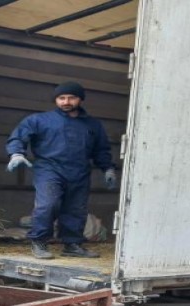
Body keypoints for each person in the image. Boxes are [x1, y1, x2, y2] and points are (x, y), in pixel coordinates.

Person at [6, 82, 117, 260]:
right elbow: (19, 135)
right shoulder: (39, 120)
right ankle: (39, 242)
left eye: (71, 97)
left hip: (79, 171)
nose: (66, 101)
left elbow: (101, 149)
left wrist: (108, 169)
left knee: (76, 209)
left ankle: (72, 244)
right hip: (49, 169)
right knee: (48, 204)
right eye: (61, 98)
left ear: (80, 99)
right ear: (56, 100)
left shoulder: (93, 125)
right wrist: (16, 153)